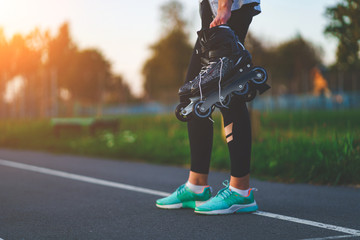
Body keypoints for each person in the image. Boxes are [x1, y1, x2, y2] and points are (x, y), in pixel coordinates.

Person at [156, 0, 261, 215]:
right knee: (195, 94)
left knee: (227, 88)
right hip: (214, 8)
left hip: (230, 8)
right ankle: (196, 186)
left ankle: (240, 191)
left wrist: (224, 6)